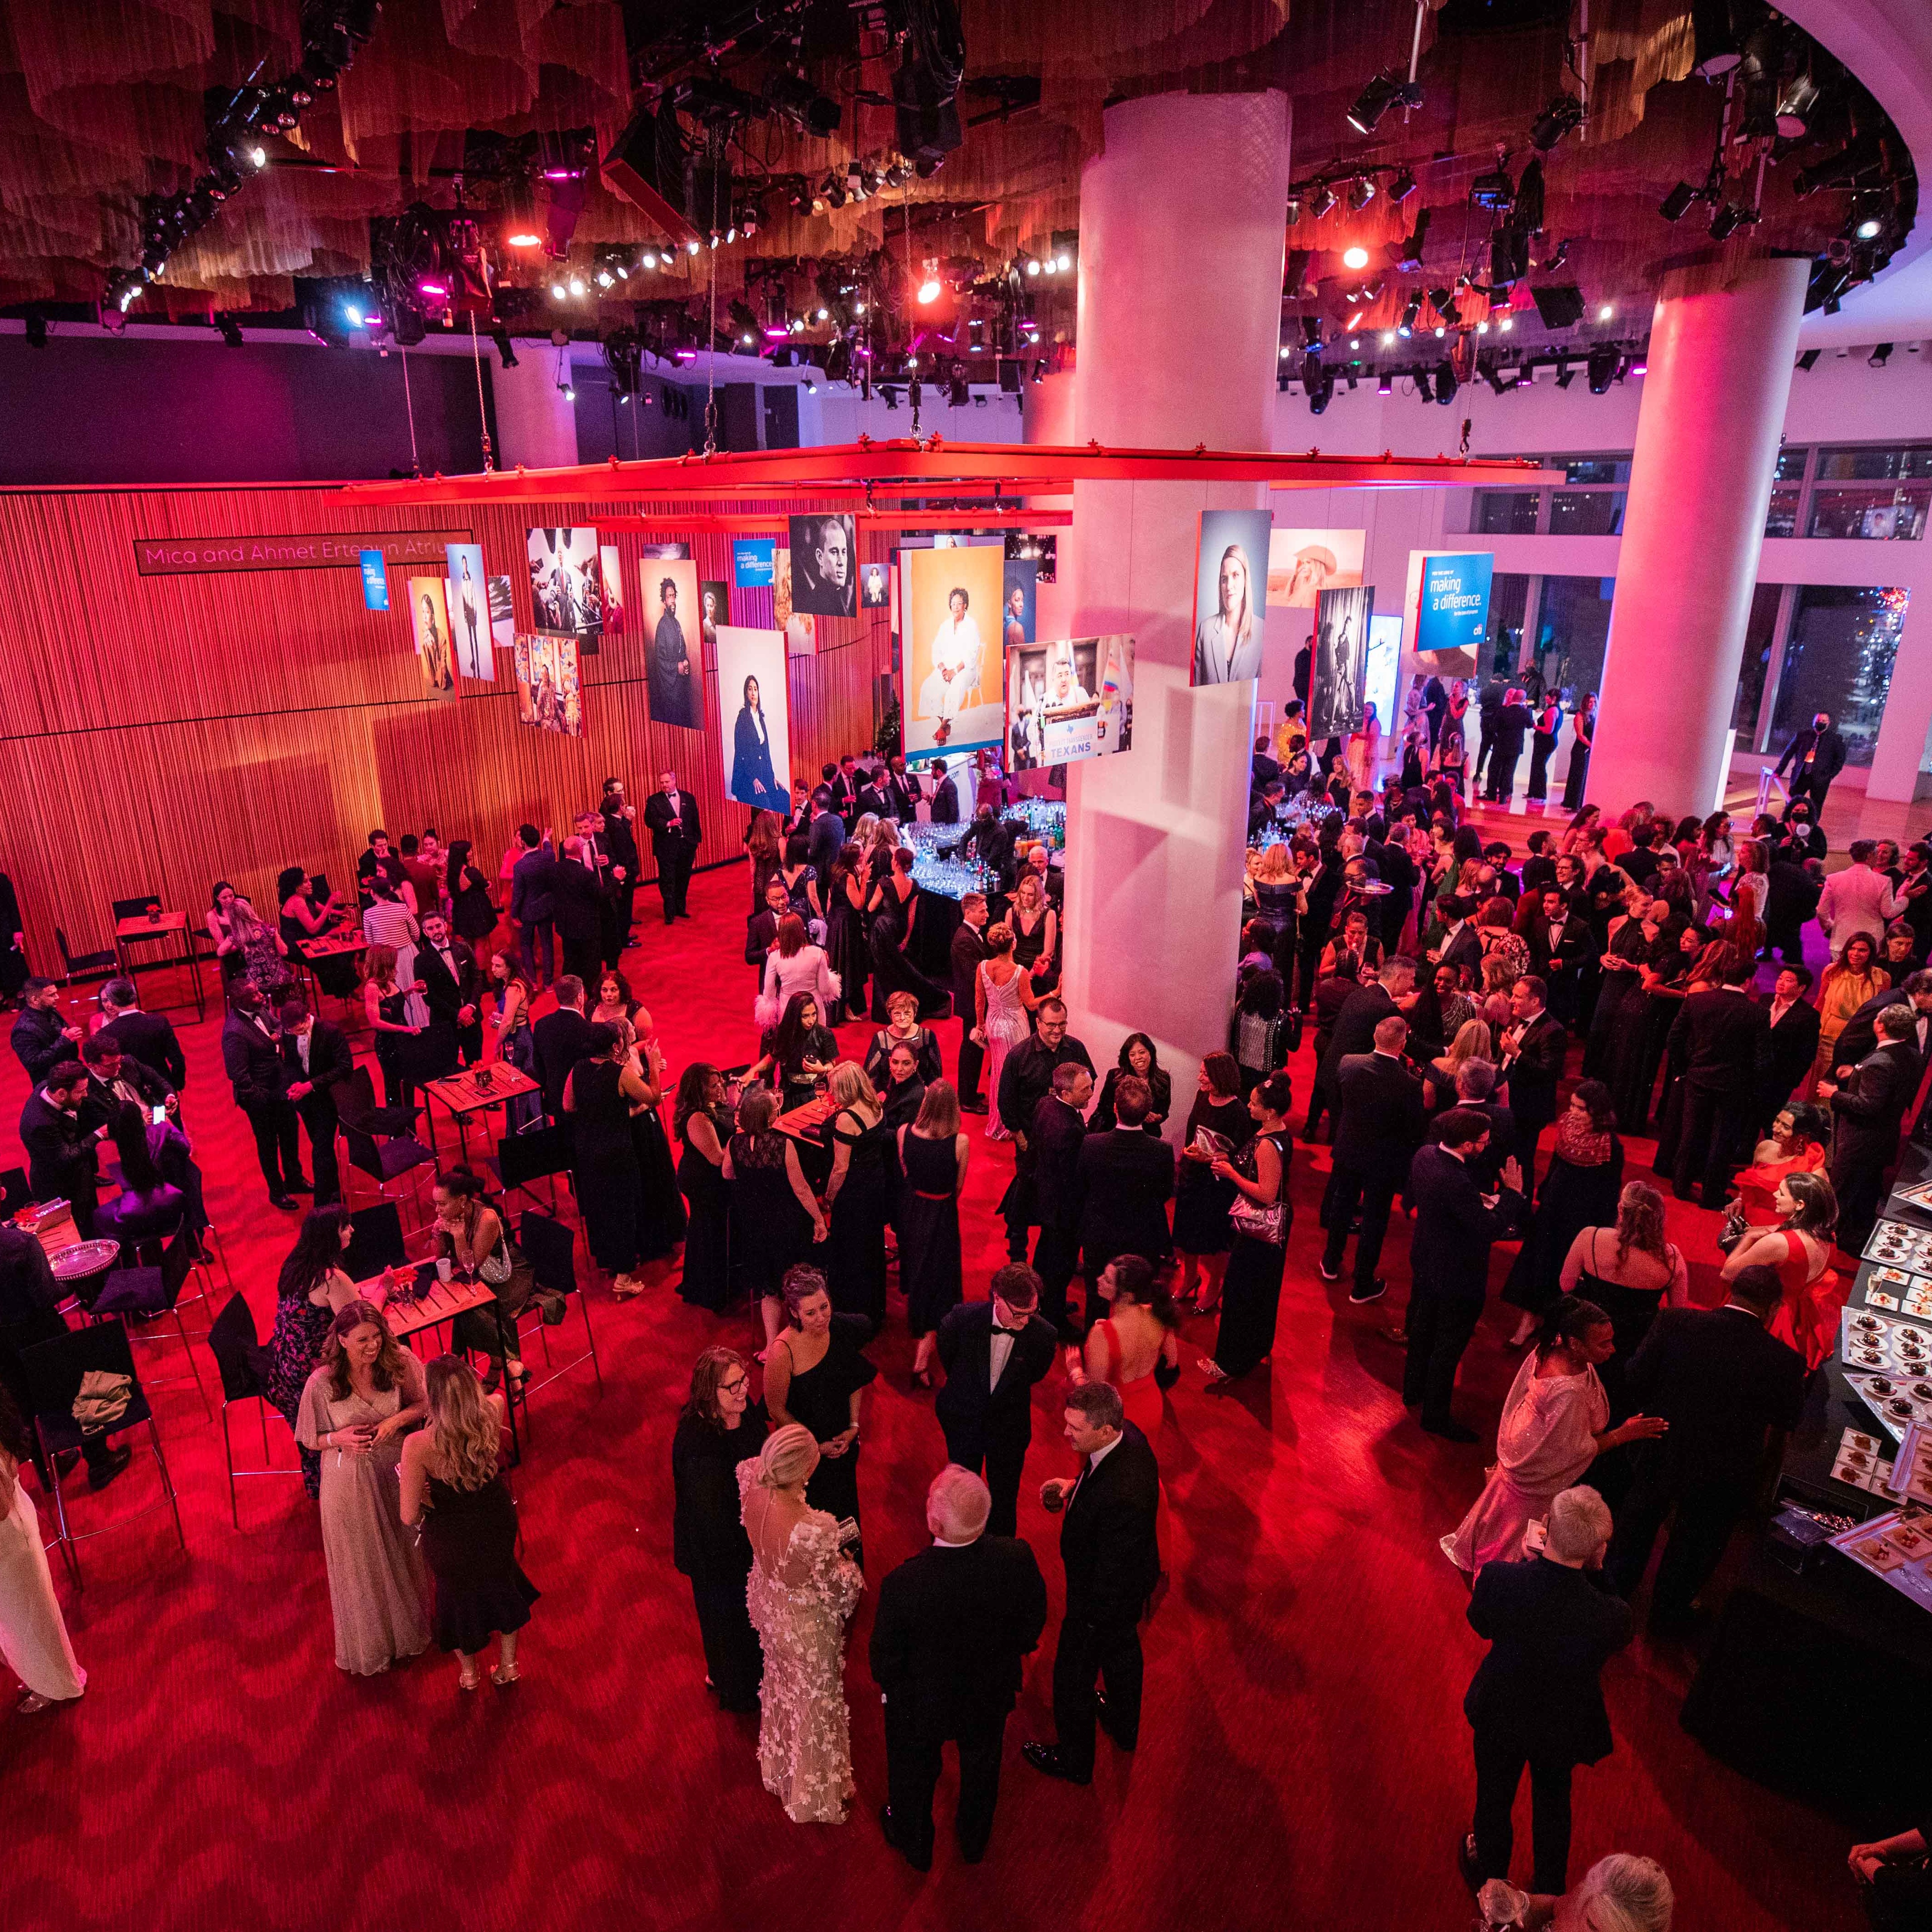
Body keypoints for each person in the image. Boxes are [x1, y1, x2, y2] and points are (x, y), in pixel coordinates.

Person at [1605, 1264, 1805, 1634]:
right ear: (1773, 1307)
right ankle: (1667, 1616)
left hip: (1660, 1443)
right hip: (1724, 1468)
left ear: (1731, 1292)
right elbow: (1784, 1425)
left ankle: (1612, 1599)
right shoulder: (1786, 1362)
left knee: (1636, 1523)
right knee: (1695, 1545)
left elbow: (1634, 1378)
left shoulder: (1674, 1322)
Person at [871, 1466, 1049, 1871]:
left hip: (922, 1706)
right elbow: (1032, 1621)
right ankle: (974, 1840)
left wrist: (896, 1692)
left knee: (913, 1775)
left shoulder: (903, 1583)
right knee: (983, 1767)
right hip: (988, 1694)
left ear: (934, 1521)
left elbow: (885, 1660)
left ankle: (914, 1844)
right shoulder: (1017, 1557)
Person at [1461, 1485, 1633, 1898]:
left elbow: (1481, 1624)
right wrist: (1597, 1568)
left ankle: (1491, 1877)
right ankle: (1550, 1888)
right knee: (1554, 1800)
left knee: (1495, 1793)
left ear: (1547, 1527)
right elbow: (1611, 1621)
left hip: (1502, 1708)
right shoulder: (1613, 1615)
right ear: (1598, 1549)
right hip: (1563, 1720)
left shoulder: (1501, 1581)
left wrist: (1525, 1565)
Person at [1444, 1298, 1665, 1573]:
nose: (1613, 1349)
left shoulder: (1551, 1347)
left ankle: (1481, 1551)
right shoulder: (1568, 1393)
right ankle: (1498, 1574)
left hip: (1523, 1439)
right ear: (1574, 1343)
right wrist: (1625, 1434)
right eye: (1603, 1344)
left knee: (1503, 1506)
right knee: (1521, 1526)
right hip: (1538, 1462)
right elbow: (1576, 1450)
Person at [1023, 1381, 1162, 1785]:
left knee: (1071, 1678)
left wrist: (1088, 1621)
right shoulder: (1129, 1437)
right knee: (1123, 1653)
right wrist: (1074, 1489)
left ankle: (1075, 1761)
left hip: (1101, 1599)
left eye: (1075, 1429)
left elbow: (1111, 1567)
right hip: (1128, 1587)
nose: (1065, 1434)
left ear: (1104, 1430)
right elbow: (1101, 1486)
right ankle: (1124, 1725)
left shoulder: (1123, 1493)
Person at [293, 1301, 431, 1676]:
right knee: (365, 1562)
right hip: (347, 1479)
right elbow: (309, 1439)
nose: (372, 1347)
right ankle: (377, 1642)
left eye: (376, 1337)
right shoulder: (320, 1383)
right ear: (341, 1340)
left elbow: (422, 1404)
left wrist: (394, 1421)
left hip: (395, 1467)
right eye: (362, 1341)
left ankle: (411, 1629)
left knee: (403, 1548)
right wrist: (339, 1437)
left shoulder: (399, 1360)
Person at [737, 1422, 864, 1823]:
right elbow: (837, 1590)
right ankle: (813, 1798)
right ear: (806, 1472)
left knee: (779, 1683)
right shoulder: (816, 1530)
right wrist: (851, 1568)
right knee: (814, 1700)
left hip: (767, 1605)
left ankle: (779, 1769)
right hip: (803, 1626)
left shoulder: (749, 1477)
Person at [398, 1355, 537, 1692]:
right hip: (495, 1519)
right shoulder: (494, 1407)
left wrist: (420, 1491)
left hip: (451, 1535)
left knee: (456, 1603)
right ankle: (509, 1666)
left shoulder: (417, 1445)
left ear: (432, 1395)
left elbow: (408, 1516)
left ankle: (469, 1675)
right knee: (503, 1587)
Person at [1405, 1108, 1527, 1440]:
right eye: (1483, 1142)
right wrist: (1512, 1195)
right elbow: (1487, 1228)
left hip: (1426, 1259)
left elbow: (1450, 1206)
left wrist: (1478, 1201)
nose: (1487, 1147)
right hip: (1457, 1273)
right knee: (1448, 1345)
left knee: (1422, 1329)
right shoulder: (1456, 1180)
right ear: (1467, 1145)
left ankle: (1413, 1390)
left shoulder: (1426, 1155)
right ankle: (1435, 1417)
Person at [933, 1262, 1059, 1538]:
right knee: (961, 1491)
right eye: (1019, 1314)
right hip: (964, 1420)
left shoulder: (1044, 1335)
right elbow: (949, 1358)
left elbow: (1034, 1375)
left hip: (1009, 1428)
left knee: (1004, 1499)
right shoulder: (961, 1320)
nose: (1026, 1322)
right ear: (997, 1298)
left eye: (1033, 1312)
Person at [672, 1347, 765, 1712]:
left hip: (748, 1537)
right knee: (725, 1619)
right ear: (711, 1394)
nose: (744, 1390)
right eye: (733, 1386)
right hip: (716, 1550)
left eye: (744, 1379)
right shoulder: (697, 1443)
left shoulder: (744, 1410)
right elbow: (713, 1516)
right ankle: (733, 1685)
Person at [763, 1265, 875, 1554]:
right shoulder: (782, 1352)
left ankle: (850, 1573)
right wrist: (814, 1446)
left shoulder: (837, 1328)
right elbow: (776, 1409)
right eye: (811, 1313)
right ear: (795, 1313)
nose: (821, 1318)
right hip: (805, 1455)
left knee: (847, 1516)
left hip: (842, 1444)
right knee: (814, 1529)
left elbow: (854, 1380)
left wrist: (854, 1427)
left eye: (824, 1307)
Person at [1502, 1082, 1626, 1343]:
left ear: (1597, 1112)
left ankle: (1554, 1325)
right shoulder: (1567, 1126)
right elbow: (1557, 1163)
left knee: (1566, 1270)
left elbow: (1609, 1190)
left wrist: (1602, 1228)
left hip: (1582, 1216)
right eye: (1571, 1105)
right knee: (1539, 1261)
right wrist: (1545, 1191)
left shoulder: (1611, 1146)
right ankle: (1528, 1320)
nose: (1574, 1112)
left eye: (1581, 1108)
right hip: (1553, 1206)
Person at [1320, 1013, 1424, 1305]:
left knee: (1342, 1204)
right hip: (1384, 1160)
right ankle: (1362, 1281)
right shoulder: (1409, 1084)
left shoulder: (1349, 1063)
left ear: (1375, 1038)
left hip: (1349, 1149)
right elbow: (1415, 1129)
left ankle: (1330, 1262)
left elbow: (1340, 1102)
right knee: (1375, 1219)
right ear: (1403, 1042)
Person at [1203, 1072, 1295, 1384]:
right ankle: (1255, 1348)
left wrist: (1231, 1174)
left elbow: (1267, 1195)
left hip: (1259, 1231)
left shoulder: (1268, 1145)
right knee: (1260, 1292)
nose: (1249, 1107)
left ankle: (1231, 1361)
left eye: (1255, 1104)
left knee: (1243, 1292)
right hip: (1265, 1232)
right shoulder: (1277, 1132)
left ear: (1270, 1111)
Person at [0, 1383, 87, 1711]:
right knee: (23, 1617)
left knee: (30, 1619)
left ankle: (57, 1685)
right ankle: (41, 1676)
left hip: (8, 1542)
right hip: (12, 1534)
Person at [266, 1205, 362, 1497]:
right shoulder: (331, 1278)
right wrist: (384, 1289)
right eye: (345, 1227)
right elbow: (361, 1326)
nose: (352, 1230)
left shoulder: (295, 1264)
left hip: (283, 1368)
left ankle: (322, 1482)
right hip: (313, 1375)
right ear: (330, 1237)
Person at [1664, 951, 1769, 1205]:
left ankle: (1681, 1187)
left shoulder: (1697, 1001)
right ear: (1748, 981)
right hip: (1734, 1086)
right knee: (1722, 1141)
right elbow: (1762, 1059)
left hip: (1698, 1078)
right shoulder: (1757, 1013)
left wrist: (1682, 1070)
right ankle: (1711, 1195)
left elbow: (1674, 1039)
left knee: (1690, 1135)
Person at [725, 1086, 825, 1351]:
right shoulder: (784, 1144)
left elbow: (727, 1173)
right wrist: (819, 1220)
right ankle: (802, 1343)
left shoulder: (735, 1143)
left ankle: (772, 1347)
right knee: (793, 1283)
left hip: (754, 1225)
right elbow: (801, 1188)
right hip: (786, 1224)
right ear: (770, 1117)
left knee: (768, 1288)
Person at [994, 997, 1094, 1257]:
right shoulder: (1019, 1056)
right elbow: (1006, 1102)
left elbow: (1087, 1083)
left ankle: (1057, 1252)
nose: (1057, 1031)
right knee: (1025, 1194)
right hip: (1030, 1141)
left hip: (1065, 1142)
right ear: (1038, 1023)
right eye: (1051, 1025)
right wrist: (1022, 1140)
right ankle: (1018, 1251)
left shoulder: (1076, 1049)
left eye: (1062, 1025)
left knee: (1062, 1198)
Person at [1821, 1004, 1921, 1253]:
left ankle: (1822, 1246)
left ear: (1880, 1026)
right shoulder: (1910, 1054)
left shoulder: (1880, 1062)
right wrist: (1856, 1073)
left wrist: (1833, 1094)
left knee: (1841, 1194)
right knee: (1865, 1193)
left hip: (1861, 1140)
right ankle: (1854, 1241)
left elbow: (1868, 1105)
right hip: (1882, 1138)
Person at [1720, 1169, 1843, 1369]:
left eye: (1782, 1193)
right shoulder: (1829, 1237)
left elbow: (1728, 1274)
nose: (1775, 1195)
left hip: (1768, 1315)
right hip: (1800, 1314)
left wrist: (1748, 1238)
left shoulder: (1778, 1243)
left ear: (1800, 1204)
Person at [1073, 1077, 1174, 1313]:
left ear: (1115, 1108)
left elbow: (1081, 1187)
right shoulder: (1162, 1151)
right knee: (1139, 1303)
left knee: (1096, 1301)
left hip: (1099, 1234)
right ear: (1148, 1111)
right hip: (1144, 1236)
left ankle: (1094, 1344)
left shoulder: (1091, 1145)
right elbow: (1165, 1193)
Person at [565, 1022, 651, 1298]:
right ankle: (624, 1275)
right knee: (623, 1208)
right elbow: (651, 1098)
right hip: (616, 1151)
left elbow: (568, 1105)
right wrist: (657, 1071)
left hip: (588, 1151)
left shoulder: (577, 1069)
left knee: (598, 1206)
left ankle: (605, 1260)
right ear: (614, 1046)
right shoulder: (620, 1073)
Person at [1067, 1253, 1179, 1440]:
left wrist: (1075, 1370)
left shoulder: (1102, 1333)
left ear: (1127, 1295)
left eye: (1108, 1280)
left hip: (1116, 1421)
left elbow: (1095, 1399)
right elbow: (1172, 1361)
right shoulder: (1159, 1314)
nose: (1099, 1280)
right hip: (1151, 1407)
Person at [899, 1080, 968, 1382]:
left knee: (918, 1273)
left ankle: (922, 1344)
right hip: (941, 1214)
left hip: (912, 1210)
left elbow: (906, 1173)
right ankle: (923, 1357)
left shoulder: (903, 1133)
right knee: (939, 1280)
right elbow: (958, 1187)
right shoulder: (960, 1142)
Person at [820, 1060, 892, 1333]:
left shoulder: (847, 1118)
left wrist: (828, 1197)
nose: (831, 1094)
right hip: (876, 1185)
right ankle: (874, 1308)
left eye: (835, 1089)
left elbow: (840, 1168)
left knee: (850, 1253)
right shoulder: (875, 1105)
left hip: (854, 1195)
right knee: (871, 1249)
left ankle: (852, 1312)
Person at [221, 985, 306, 1208]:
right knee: (268, 1144)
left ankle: (294, 1179)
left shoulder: (260, 1010)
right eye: (255, 995)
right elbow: (237, 1074)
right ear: (241, 1002)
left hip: (280, 1085)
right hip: (259, 1095)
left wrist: (276, 1036)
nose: (262, 996)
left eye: (259, 992)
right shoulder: (234, 1032)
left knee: (290, 1132)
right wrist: (259, 1097)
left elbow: (278, 1024)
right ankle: (277, 1192)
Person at [276, 1000, 352, 1206]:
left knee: (320, 1149)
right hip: (307, 1102)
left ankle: (322, 1203)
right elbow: (291, 1063)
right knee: (323, 1148)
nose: (294, 1033)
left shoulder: (331, 1032)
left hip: (330, 1099)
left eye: (297, 1028)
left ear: (306, 1017)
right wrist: (295, 1084)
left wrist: (310, 1085)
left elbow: (345, 1067)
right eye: (290, 1031)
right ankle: (336, 1191)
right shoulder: (291, 1034)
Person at [673, 1065, 733, 1312]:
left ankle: (700, 1281)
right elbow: (717, 1159)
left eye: (720, 1083)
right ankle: (709, 1290)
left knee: (704, 1229)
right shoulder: (697, 1118)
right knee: (709, 1231)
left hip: (707, 1176)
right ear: (698, 1090)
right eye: (713, 1086)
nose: (720, 1089)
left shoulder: (711, 1108)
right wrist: (739, 1139)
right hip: (703, 1180)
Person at [1498, 976, 1567, 1189]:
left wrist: (1516, 1054)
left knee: (1521, 1162)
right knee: (1506, 1159)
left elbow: (1549, 1071)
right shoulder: (1519, 1020)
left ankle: (1520, 1213)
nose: (1511, 1001)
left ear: (1535, 1001)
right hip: (1509, 1101)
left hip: (1528, 1108)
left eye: (1518, 997)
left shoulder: (1553, 1031)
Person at [977, 924, 1035, 1143]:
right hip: (1015, 1027)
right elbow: (1030, 1005)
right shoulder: (1020, 972)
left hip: (993, 1026)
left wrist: (981, 1024)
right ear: (1013, 943)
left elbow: (979, 999)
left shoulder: (983, 967)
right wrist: (1054, 993)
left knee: (999, 1075)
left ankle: (998, 1123)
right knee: (1017, 1074)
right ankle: (1013, 1125)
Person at [1730, 1100, 1828, 1227]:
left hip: (1780, 1229)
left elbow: (1815, 1216)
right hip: (1747, 1219)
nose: (1776, 1129)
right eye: (1777, 1121)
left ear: (1802, 1136)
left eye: (1786, 1127)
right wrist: (1738, 1200)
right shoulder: (1764, 1147)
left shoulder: (1813, 1167)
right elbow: (1748, 1184)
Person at [94, 977, 187, 1090]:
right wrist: (176, 1085)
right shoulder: (159, 1021)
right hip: (163, 1086)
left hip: (129, 1091)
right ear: (134, 996)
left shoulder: (105, 1034)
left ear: (113, 1002)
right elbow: (178, 1060)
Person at [483, 954, 542, 1134]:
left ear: (510, 967)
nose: (493, 969)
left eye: (498, 966)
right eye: (493, 965)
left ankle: (526, 1130)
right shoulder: (510, 985)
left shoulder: (514, 989)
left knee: (520, 1086)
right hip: (520, 1036)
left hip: (518, 1041)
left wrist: (496, 1046)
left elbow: (508, 1023)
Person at [417, 912, 483, 1068]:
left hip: (472, 1018)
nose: (436, 931)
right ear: (425, 932)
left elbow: (478, 979)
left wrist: (470, 1007)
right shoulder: (421, 961)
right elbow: (428, 997)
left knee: (477, 1066)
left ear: (445, 925)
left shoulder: (464, 948)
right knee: (447, 1069)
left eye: (438, 926)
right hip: (445, 1023)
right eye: (431, 928)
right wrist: (458, 1015)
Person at [1192, 541, 1260, 684]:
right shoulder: (1206, 629)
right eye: (1224, 579)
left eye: (1235, 575)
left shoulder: (1261, 631)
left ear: (1246, 579)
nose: (1229, 586)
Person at [644, 769, 702, 924]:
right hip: (666, 847)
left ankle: (680, 908)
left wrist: (696, 840)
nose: (664, 785)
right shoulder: (654, 800)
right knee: (668, 879)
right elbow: (649, 821)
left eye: (667, 782)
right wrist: (668, 824)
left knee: (684, 877)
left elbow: (695, 819)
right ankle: (669, 912)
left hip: (686, 846)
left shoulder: (688, 797)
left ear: (674, 781)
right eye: (662, 782)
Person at [1775, 709, 1847, 818]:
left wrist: (1830, 775)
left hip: (1820, 779)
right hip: (1801, 776)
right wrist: (1779, 771)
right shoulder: (1802, 736)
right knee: (1792, 803)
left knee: (1816, 806)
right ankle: (1787, 824)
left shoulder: (1835, 740)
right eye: (1818, 720)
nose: (1821, 722)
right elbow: (1788, 754)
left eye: (1824, 721)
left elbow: (1840, 759)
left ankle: (1811, 829)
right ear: (1814, 721)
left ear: (1829, 723)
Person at [509, 825, 557, 988]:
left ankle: (533, 982)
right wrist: (547, 838)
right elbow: (549, 848)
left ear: (523, 842)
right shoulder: (548, 857)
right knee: (547, 944)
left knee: (526, 945)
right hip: (546, 907)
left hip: (527, 911)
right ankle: (548, 983)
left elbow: (518, 894)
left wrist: (514, 914)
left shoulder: (520, 866)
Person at [11, 979, 82, 1089]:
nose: (57, 997)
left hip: (71, 1072)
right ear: (35, 1000)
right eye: (52, 995)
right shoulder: (23, 1030)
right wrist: (64, 1040)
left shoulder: (50, 1010)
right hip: (53, 1084)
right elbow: (33, 1063)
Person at [648, 577, 698, 727]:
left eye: (674, 596)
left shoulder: (676, 623)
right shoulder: (662, 626)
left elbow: (682, 650)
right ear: (664, 601)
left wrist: (686, 661)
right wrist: (677, 667)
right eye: (669, 596)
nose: (672, 600)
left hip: (681, 687)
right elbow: (660, 661)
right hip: (670, 691)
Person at [730, 673, 783, 810]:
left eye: (755, 689)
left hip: (764, 772)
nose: (753, 693)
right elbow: (741, 753)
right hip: (748, 776)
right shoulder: (742, 718)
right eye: (750, 689)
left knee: (783, 797)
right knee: (766, 804)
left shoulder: (760, 718)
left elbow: (766, 752)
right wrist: (754, 778)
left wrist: (772, 777)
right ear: (746, 693)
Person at [1560, 693, 1595, 810]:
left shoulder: (1594, 716)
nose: (1592, 704)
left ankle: (1580, 803)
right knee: (1578, 777)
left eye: (1594, 702)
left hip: (1588, 750)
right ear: (1585, 703)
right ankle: (1574, 804)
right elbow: (1580, 735)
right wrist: (1593, 746)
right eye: (1590, 702)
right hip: (1580, 750)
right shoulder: (1580, 716)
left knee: (1584, 777)